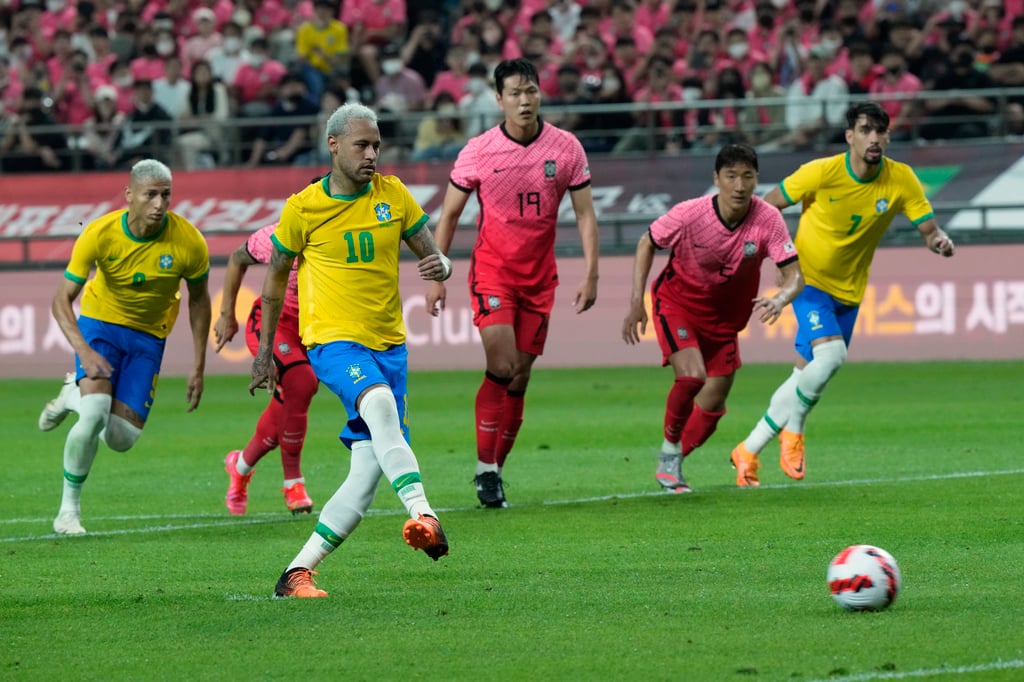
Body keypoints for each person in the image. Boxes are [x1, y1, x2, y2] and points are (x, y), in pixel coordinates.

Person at [251, 102, 451, 599]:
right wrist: (264, 351)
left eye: (377, 146)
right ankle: (424, 513)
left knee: (365, 474)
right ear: (334, 144)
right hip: (333, 341)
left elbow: (434, 255)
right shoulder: (303, 208)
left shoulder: (393, 194)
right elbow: (273, 281)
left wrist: (441, 268)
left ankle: (295, 573)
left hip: (390, 346)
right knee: (378, 403)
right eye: (362, 145)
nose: (372, 155)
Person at [731, 102, 956, 487]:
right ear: (850, 136)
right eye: (866, 130)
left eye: (880, 131)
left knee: (804, 375)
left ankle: (748, 450)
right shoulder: (821, 171)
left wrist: (939, 241)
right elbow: (767, 207)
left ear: (888, 137)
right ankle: (795, 429)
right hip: (807, 280)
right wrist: (778, 256)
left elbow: (929, 229)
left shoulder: (901, 179)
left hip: (849, 292)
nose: (874, 138)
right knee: (832, 356)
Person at [426, 58, 600, 509]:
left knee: (520, 377)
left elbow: (584, 214)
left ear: (540, 94)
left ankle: (495, 471)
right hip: (493, 272)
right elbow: (449, 214)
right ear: (499, 99)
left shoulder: (566, 148)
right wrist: (437, 274)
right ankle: (485, 468)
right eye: (515, 94)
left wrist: (591, 272)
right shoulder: (479, 150)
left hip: (540, 280)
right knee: (501, 366)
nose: (525, 101)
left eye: (531, 91)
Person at [37, 159, 211, 535]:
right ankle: (67, 512)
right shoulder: (99, 234)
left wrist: (198, 365)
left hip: (148, 338)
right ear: (129, 195)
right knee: (95, 412)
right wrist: (84, 352)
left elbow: (199, 301)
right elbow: (61, 300)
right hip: (101, 325)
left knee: (121, 439)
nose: (159, 204)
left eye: (166, 195)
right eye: (150, 195)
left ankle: (72, 395)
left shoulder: (189, 241)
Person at [622, 143, 803, 494]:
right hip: (677, 305)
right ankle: (670, 453)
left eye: (747, 177)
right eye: (731, 176)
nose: (739, 186)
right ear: (716, 179)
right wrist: (635, 302)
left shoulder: (768, 219)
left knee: (713, 406)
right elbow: (647, 241)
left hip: (724, 323)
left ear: (756, 179)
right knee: (692, 377)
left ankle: (671, 461)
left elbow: (795, 275)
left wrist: (781, 298)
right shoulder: (689, 214)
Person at [213, 219, 320, 517]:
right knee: (301, 382)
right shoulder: (278, 234)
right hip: (274, 324)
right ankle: (293, 483)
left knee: (288, 402)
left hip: (314, 330)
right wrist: (227, 314)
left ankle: (240, 466)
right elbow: (237, 258)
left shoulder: (342, 231)